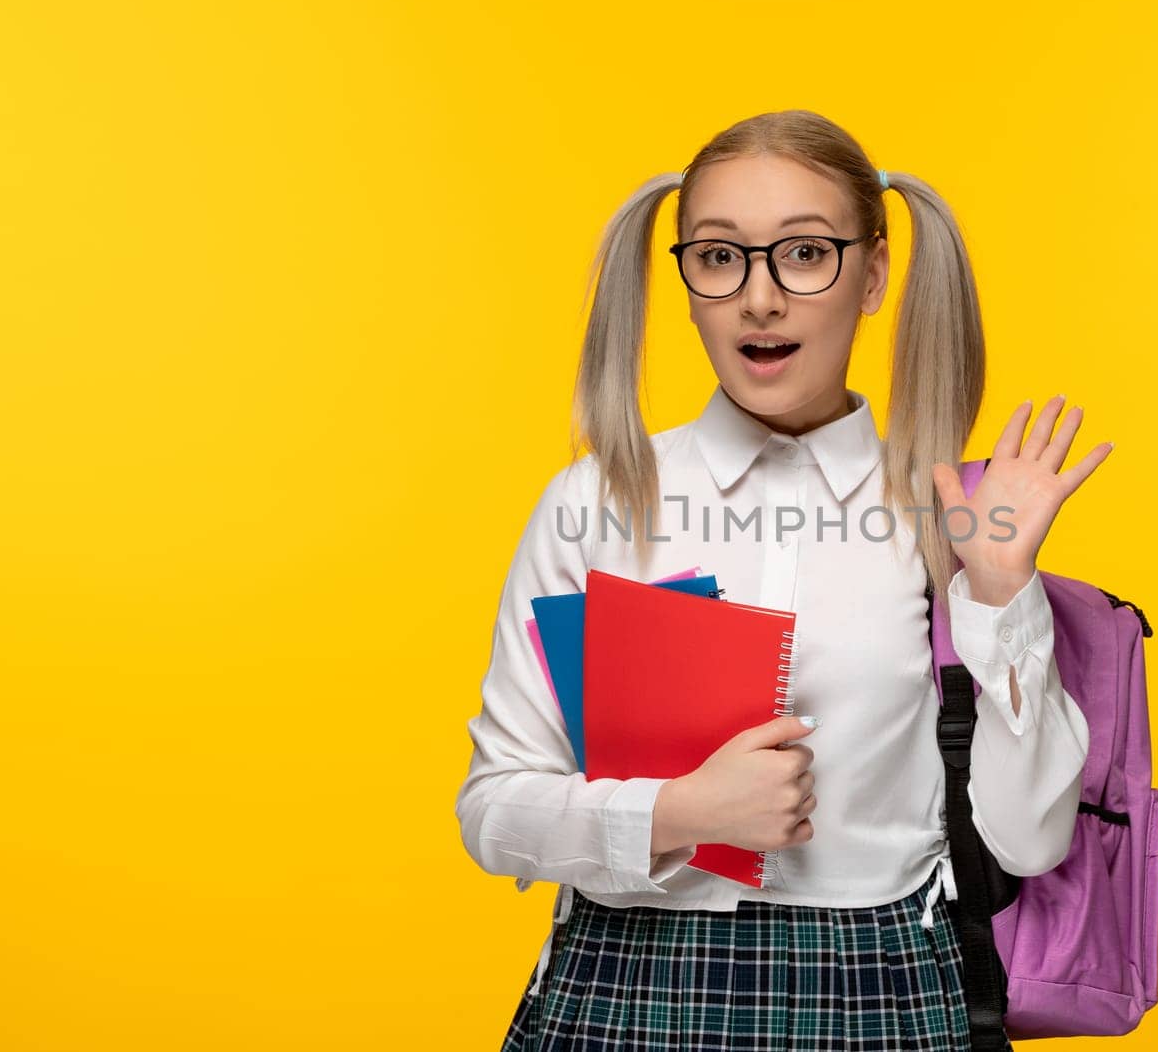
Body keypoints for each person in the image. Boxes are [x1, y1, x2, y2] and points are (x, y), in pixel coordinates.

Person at [454, 109, 1107, 1050]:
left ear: (874, 273)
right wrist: (678, 813)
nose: (760, 298)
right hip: (624, 986)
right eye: (721, 258)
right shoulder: (595, 499)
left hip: (878, 989)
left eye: (805, 254)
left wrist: (1002, 591)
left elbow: (1030, 844)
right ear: (686, 284)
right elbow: (495, 810)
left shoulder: (945, 515)